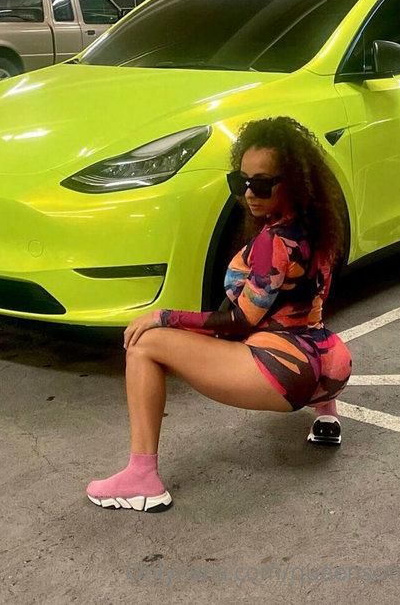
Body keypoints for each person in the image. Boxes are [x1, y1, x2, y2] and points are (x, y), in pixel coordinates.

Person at [86, 116, 352, 512]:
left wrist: (164, 317)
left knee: (145, 344)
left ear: (293, 182)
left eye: (261, 184)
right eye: (240, 181)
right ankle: (327, 417)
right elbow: (309, 301)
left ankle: (141, 478)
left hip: (284, 374)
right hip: (331, 368)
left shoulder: (272, 242)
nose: (248, 193)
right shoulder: (318, 228)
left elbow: (239, 322)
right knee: (297, 317)